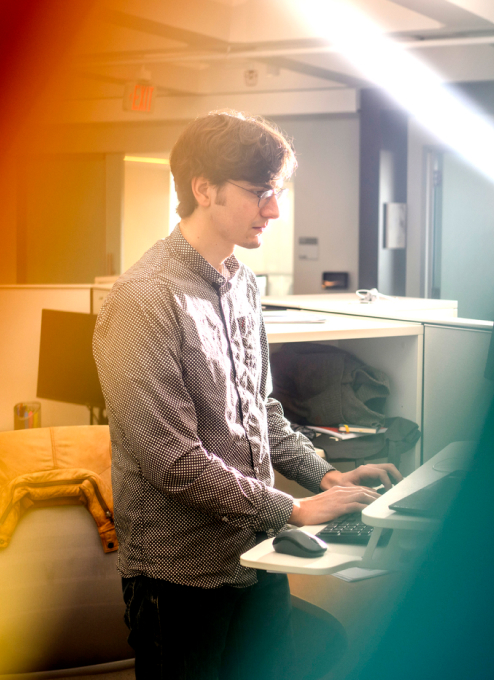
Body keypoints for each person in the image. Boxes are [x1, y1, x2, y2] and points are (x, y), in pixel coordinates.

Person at [93, 110, 402, 680]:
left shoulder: (242, 283)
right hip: (178, 576)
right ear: (202, 188)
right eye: (260, 192)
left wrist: (325, 476)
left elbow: (262, 411)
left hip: (255, 557)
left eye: (277, 191)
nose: (275, 209)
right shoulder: (142, 300)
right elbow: (172, 460)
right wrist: (294, 509)